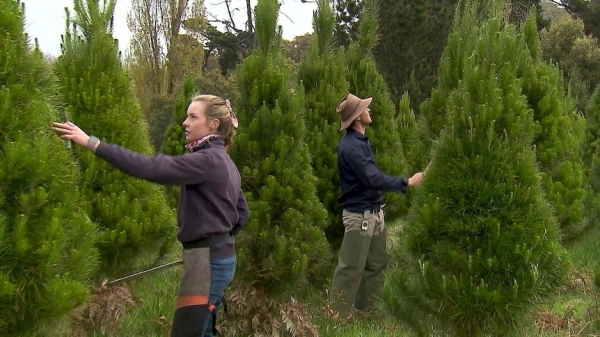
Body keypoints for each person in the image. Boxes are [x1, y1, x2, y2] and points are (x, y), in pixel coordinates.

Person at [53, 95, 249, 337]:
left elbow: (152, 167)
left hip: (207, 262)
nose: (185, 123)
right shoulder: (226, 162)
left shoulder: (207, 160)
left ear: (213, 124)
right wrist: (218, 242)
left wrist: (93, 143)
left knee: (189, 332)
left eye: (193, 116)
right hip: (218, 259)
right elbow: (242, 214)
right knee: (203, 328)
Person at [331, 93, 424, 313]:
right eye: (365, 108)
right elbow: (373, 178)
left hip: (373, 214)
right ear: (356, 118)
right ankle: (334, 317)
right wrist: (408, 182)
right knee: (350, 269)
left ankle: (367, 311)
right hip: (359, 217)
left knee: (376, 266)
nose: (369, 110)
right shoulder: (351, 147)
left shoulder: (360, 142)